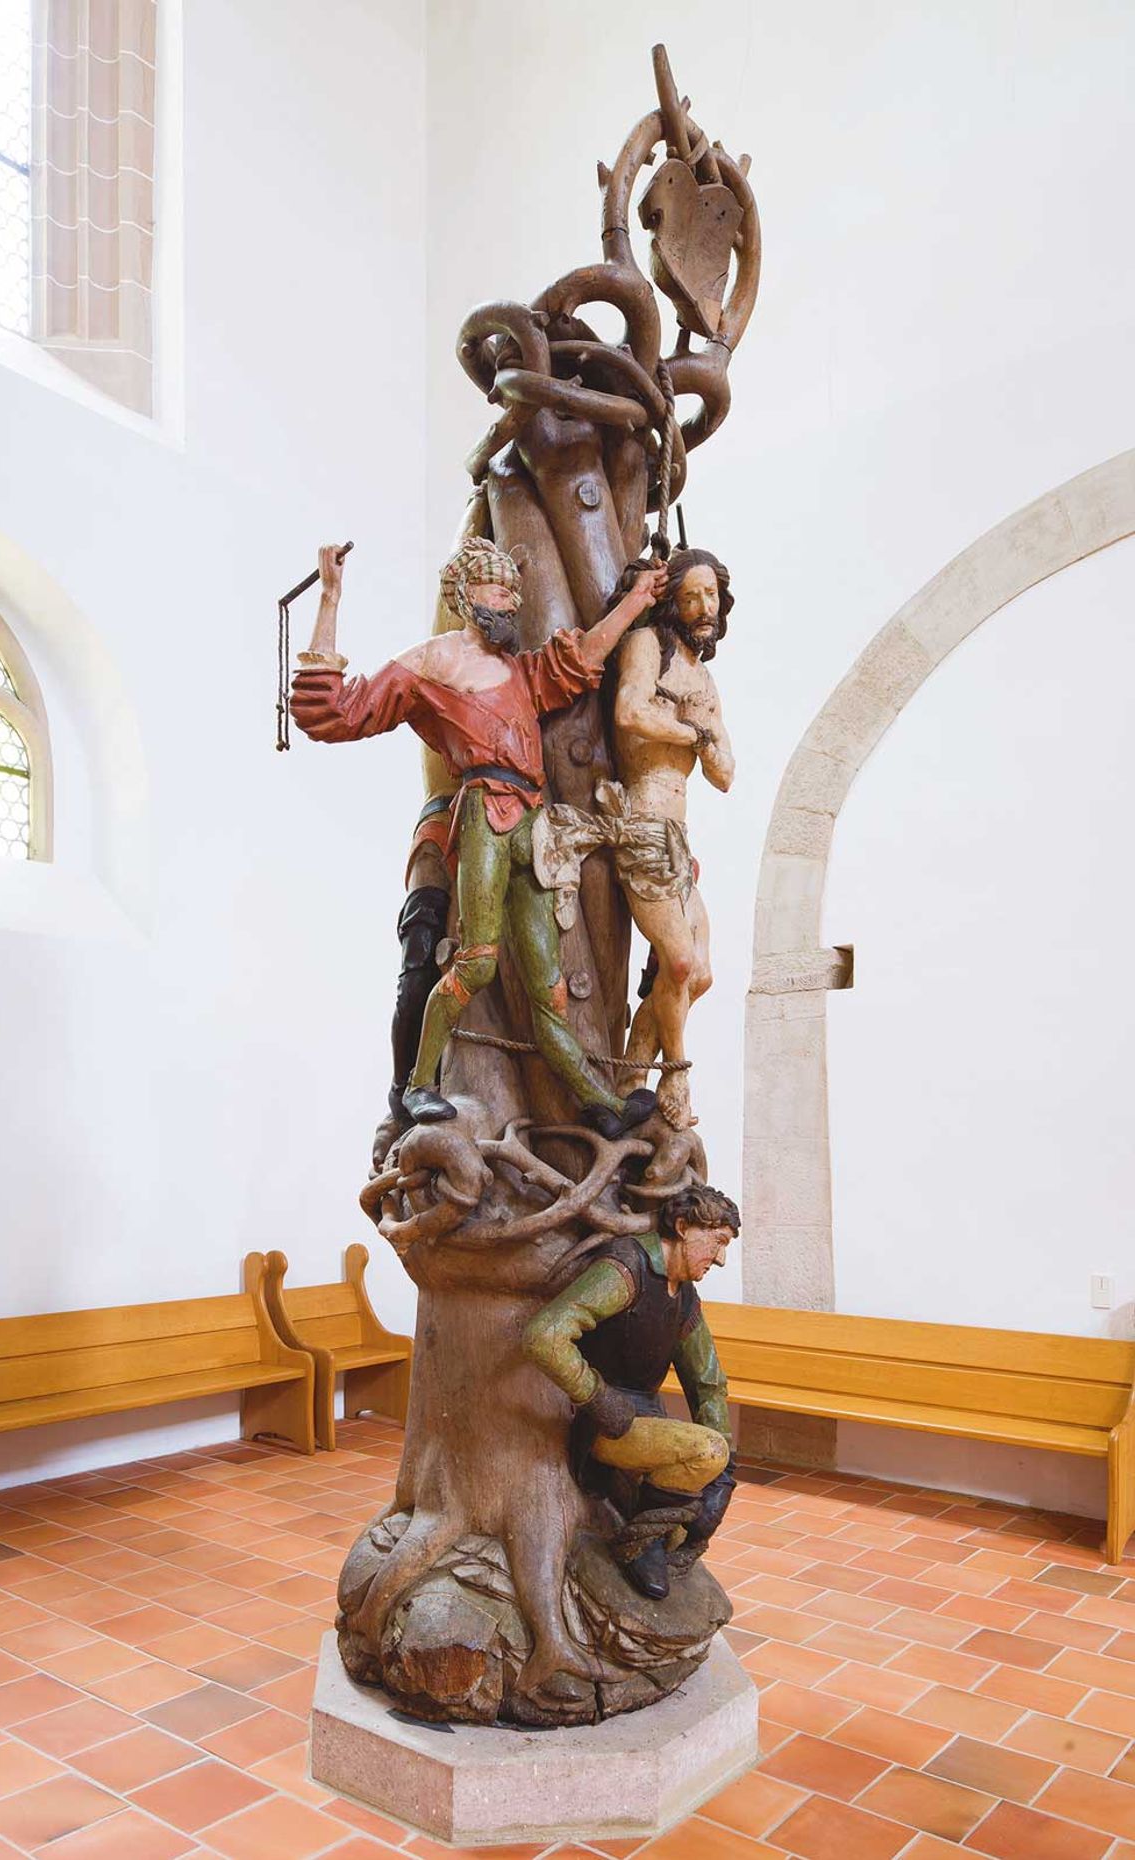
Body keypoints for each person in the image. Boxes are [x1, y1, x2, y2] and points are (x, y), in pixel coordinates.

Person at [290, 537, 669, 1135]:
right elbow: (333, 711)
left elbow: (580, 662)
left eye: (514, 590)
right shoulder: (433, 663)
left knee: (549, 984)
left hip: (531, 824)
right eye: (499, 588)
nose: (511, 600)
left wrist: (636, 601)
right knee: (478, 963)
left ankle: (601, 1104)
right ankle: (416, 1087)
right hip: (481, 816)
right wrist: (331, 597)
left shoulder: (518, 672)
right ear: (467, 594)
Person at [535, 547, 734, 1129]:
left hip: (679, 834)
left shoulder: (703, 677)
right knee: (675, 962)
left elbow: (725, 774)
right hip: (641, 823)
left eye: (711, 596)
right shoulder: (648, 646)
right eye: (691, 595)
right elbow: (628, 713)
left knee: (701, 974)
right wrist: (693, 729)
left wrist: (706, 732)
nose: (703, 607)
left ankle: (631, 1073)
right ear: (672, 599)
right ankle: (676, 1076)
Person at [522, 1182, 739, 1600]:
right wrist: (599, 1398)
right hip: (602, 1423)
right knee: (705, 1452)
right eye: (718, 1242)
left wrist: (725, 1477)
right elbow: (545, 1334)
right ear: (682, 1226)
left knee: (690, 1520)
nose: (722, 1259)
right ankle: (639, 1545)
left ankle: (655, 1535)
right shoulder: (626, 1270)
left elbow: (707, 1381)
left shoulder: (684, 1297)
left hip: (643, 1420)